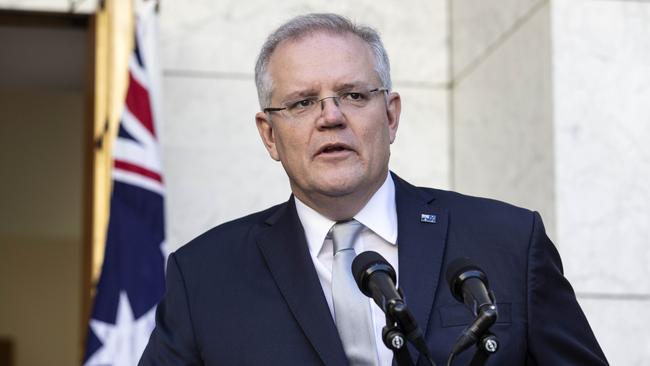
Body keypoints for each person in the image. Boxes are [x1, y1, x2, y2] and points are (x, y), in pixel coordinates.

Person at [140, 13, 608, 365]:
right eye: (303, 102)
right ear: (268, 135)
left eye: (354, 95)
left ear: (391, 115)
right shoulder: (203, 277)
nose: (331, 116)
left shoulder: (508, 240)